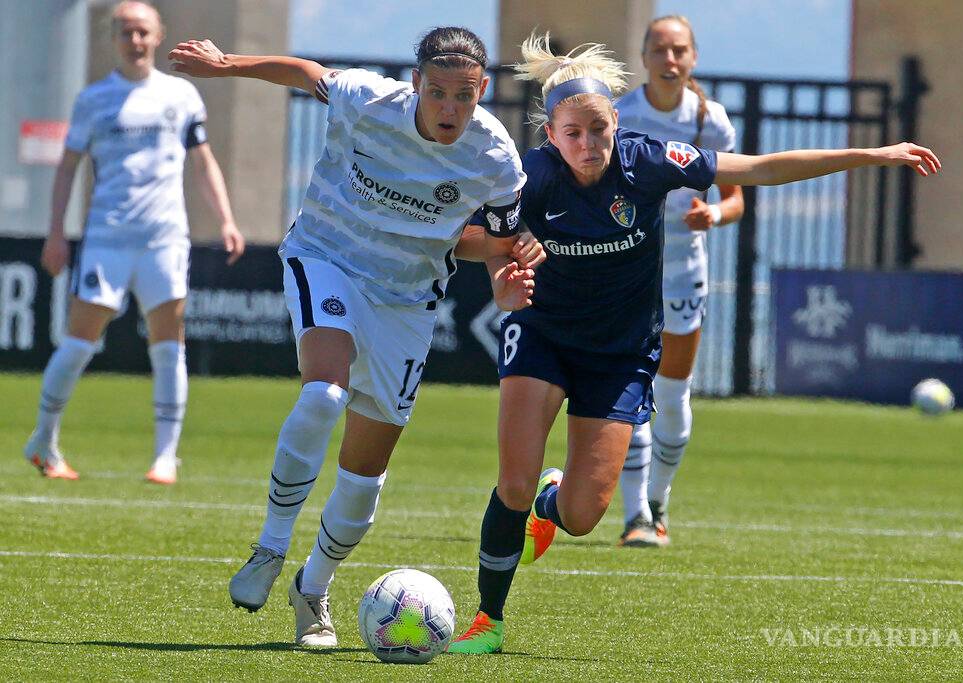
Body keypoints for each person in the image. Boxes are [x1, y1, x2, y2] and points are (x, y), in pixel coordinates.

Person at [448, 33, 940, 655]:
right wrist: (504, 269)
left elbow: (759, 169)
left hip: (619, 353)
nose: (588, 144)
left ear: (616, 122)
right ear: (551, 134)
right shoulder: (531, 176)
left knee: (581, 516)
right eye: (573, 133)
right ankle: (487, 622)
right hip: (542, 334)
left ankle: (553, 501)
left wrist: (872, 154)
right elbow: (467, 236)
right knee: (511, 484)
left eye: (599, 129)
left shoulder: (648, 161)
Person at [168, 26, 542, 648]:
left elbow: (492, 245)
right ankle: (270, 547)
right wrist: (226, 64)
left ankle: (311, 587)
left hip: (407, 300)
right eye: (438, 92)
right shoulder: (369, 98)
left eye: (465, 95)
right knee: (323, 393)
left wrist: (507, 278)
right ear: (416, 82)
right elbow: (303, 72)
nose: (450, 108)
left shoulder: (497, 159)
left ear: (482, 90)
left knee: (364, 477)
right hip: (327, 257)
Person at [23, 0, 244, 485]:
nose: (135, 40)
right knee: (78, 342)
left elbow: (203, 161)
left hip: (165, 238)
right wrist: (56, 232)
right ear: (114, 39)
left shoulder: (181, 95)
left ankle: (166, 456)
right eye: (126, 31)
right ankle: (43, 440)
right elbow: (68, 167)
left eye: (143, 31)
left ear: (159, 35)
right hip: (107, 238)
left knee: (168, 346)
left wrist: (227, 219)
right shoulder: (93, 99)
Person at [612, 14, 745, 547]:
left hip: (685, 267)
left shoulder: (710, 120)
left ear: (693, 58)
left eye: (679, 50)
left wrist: (713, 215)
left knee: (671, 392)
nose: (670, 59)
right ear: (644, 57)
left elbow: (735, 199)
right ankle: (635, 516)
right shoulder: (620, 114)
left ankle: (659, 502)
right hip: (628, 266)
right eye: (660, 49)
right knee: (627, 386)